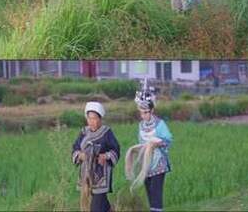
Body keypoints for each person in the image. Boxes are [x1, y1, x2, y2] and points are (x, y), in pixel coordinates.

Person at [126, 79, 173, 212]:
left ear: (152, 110)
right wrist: (136, 150)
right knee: (149, 192)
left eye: (146, 112)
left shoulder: (160, 124)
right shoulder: (141, 125)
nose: (144, 115)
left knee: (156, 192)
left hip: (158, 163)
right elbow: (141, 142)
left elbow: (168, 140)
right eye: (141, 112)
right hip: (145, 163)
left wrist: (156, 143)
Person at [72, 102, 120, 212]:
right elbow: (75, 148)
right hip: (86, 175)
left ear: (100, 118)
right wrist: (80, 155)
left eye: (94, 118)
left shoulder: (106, 132)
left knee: (96, 207)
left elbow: (115, 149)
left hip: (101, 176)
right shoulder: (84, 132)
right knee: (103, 206)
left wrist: (106, 156)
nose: (91, 122)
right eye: (89, 118)